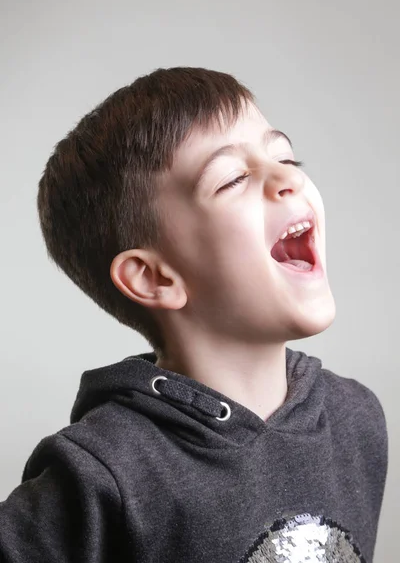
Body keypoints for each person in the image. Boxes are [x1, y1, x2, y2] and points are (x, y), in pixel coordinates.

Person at [0, 67, 388, 562]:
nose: (289, 177)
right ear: (155, 278)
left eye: (286, 156)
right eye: (233, 179)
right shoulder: (107, 472)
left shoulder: (356, 419)